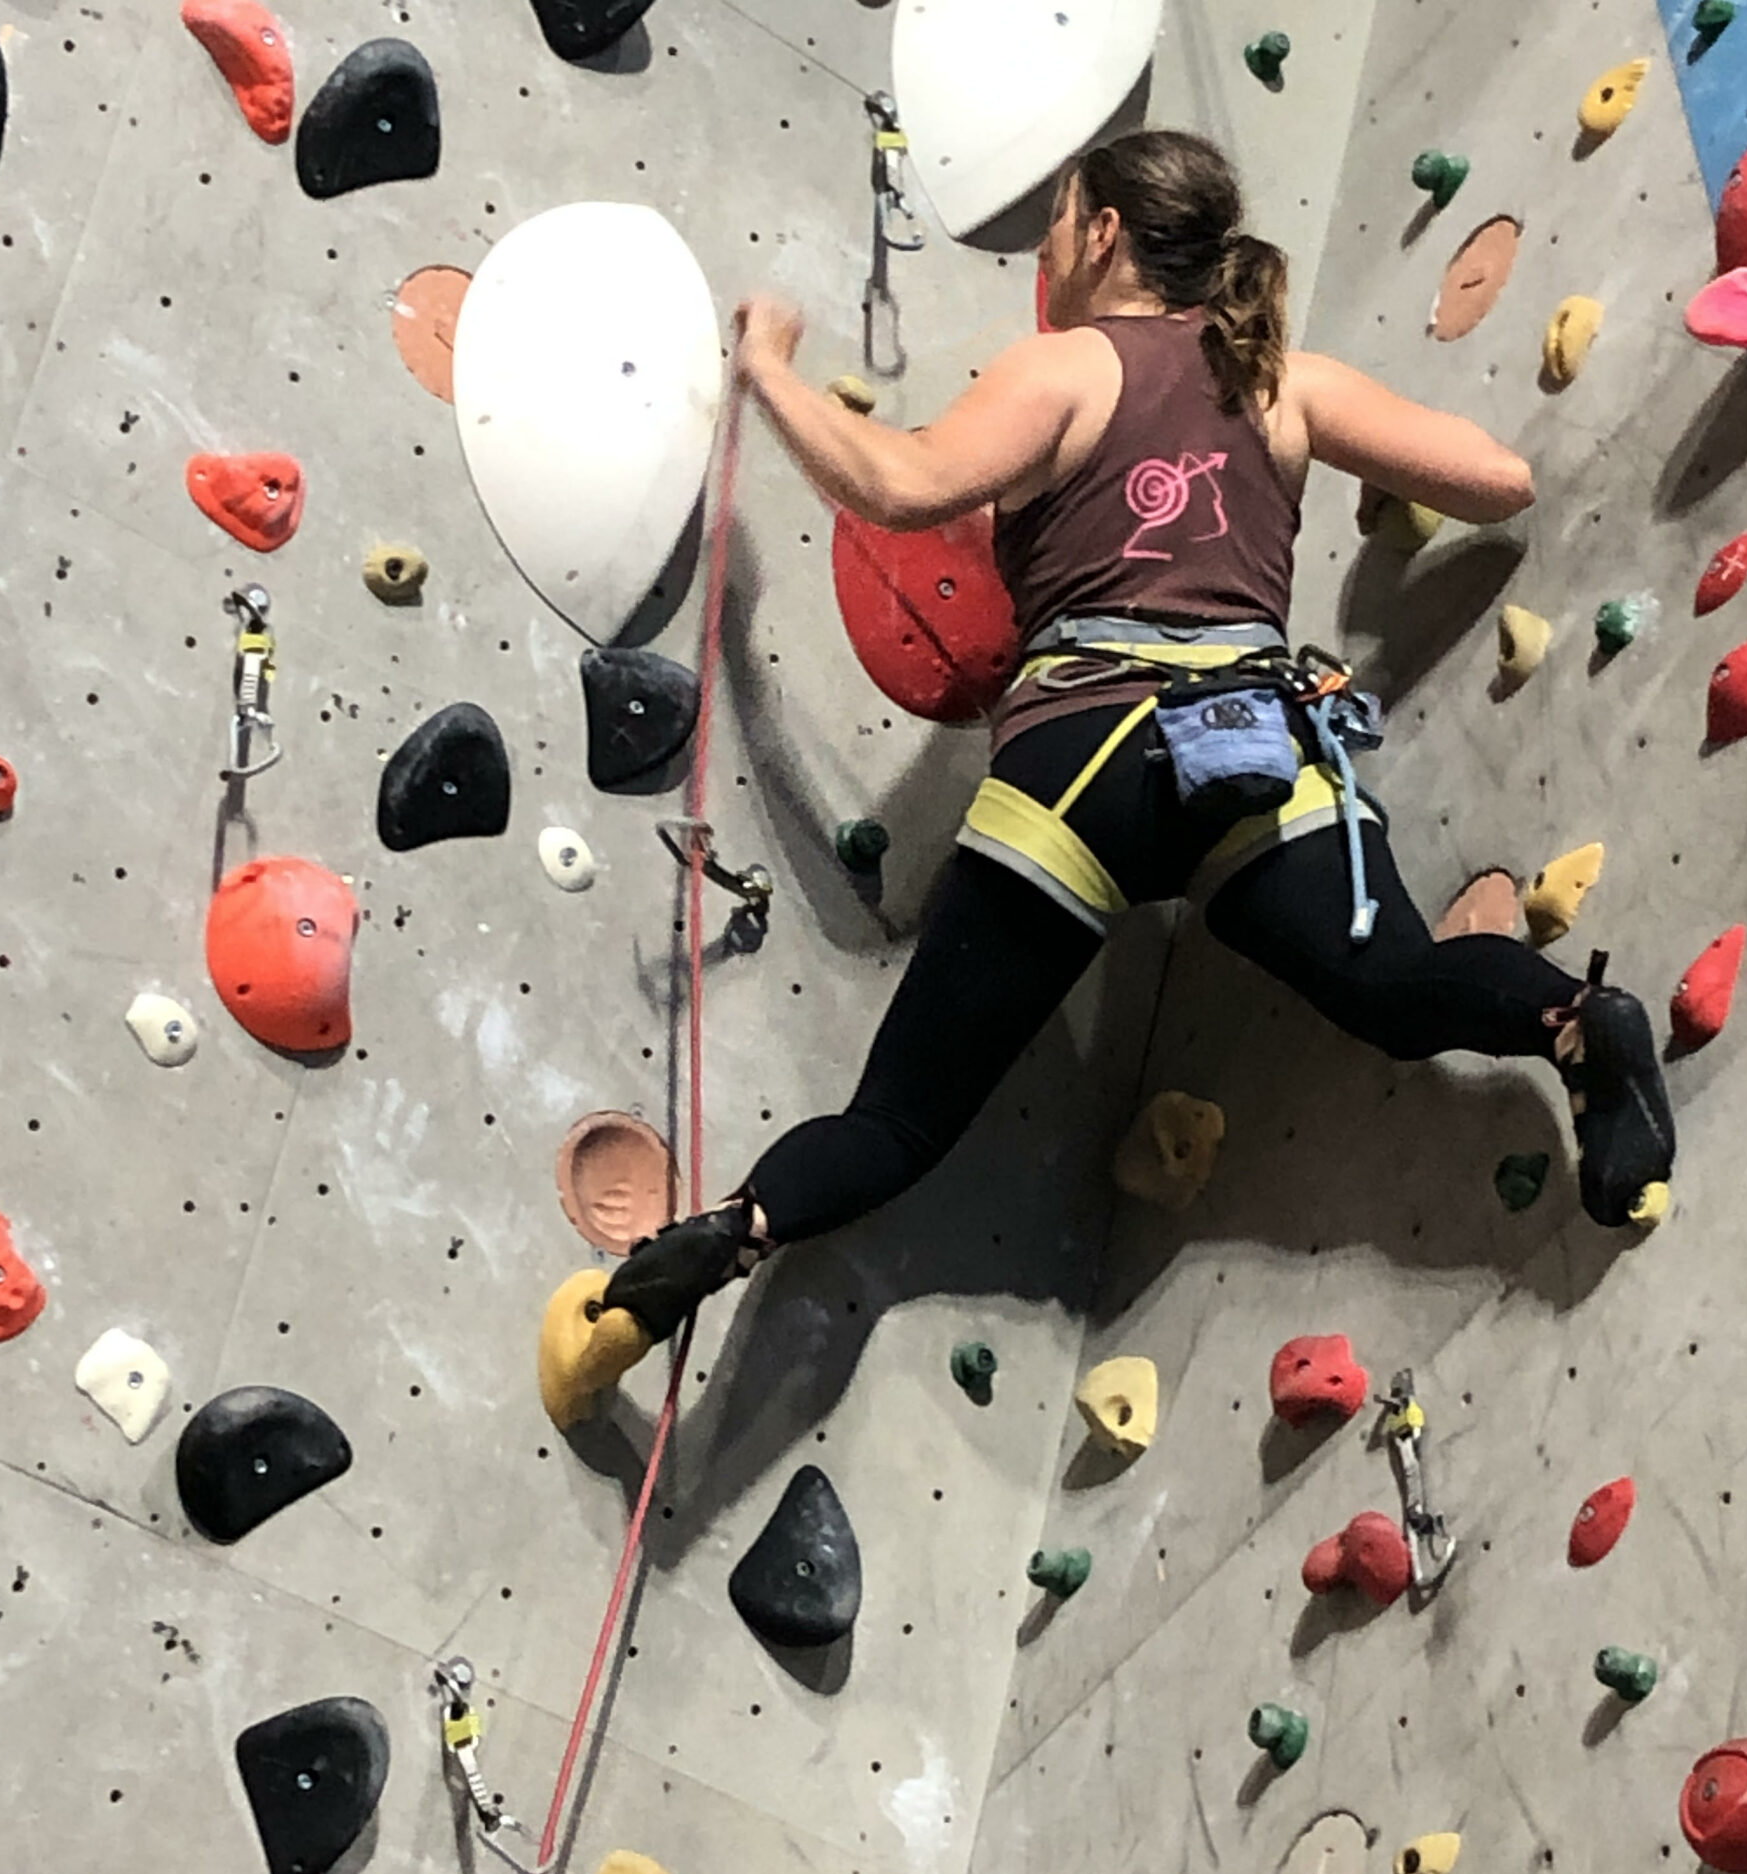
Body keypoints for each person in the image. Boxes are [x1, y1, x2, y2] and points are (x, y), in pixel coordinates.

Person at [599, 128, 1674, 1349]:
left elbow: (898, 486)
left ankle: (726, 1237)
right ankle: (1572, 1026)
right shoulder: (1285, 380)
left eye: (1058, 226)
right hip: (1257, 748)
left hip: (1084, 761)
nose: (1050, 254)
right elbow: (1498, 477)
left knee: (901, 1123)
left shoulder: (1064, 368)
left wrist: (773, 368)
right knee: (1398, 989)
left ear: (1104, 231)